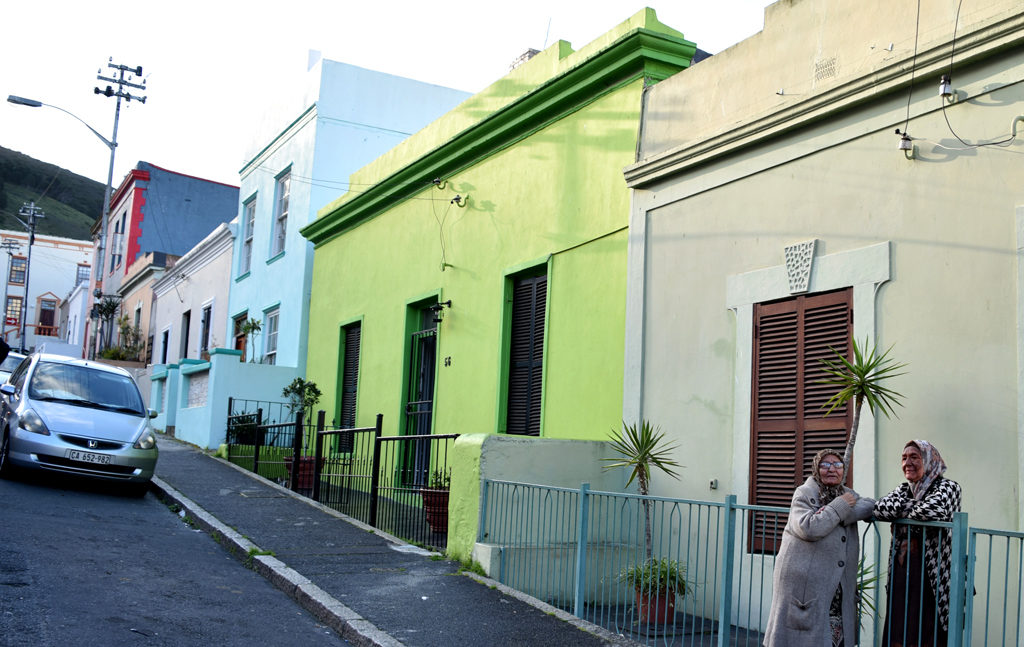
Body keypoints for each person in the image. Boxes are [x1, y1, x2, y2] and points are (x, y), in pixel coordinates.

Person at [764, 449, 875, 647]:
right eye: (825, 464)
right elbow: (809, 527)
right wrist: (840, 507)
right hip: (803, 587)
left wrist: (841, 512)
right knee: (800, 639)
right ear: (816, 468)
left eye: (837, 465)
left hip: (834, 586)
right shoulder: (804, 493)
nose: (832, 469)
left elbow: (869, 504)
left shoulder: (846, 494)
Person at [873, 440, 962, 647]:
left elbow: (932, 511)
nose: (907, 463)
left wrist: (902, 511)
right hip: (902, 570)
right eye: (904, 458)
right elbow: (879, 509)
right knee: (900, 628)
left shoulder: (949, 487)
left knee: (928, 628)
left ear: (930, 460)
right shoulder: (905, 489)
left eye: (914, 457)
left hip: (933, 574)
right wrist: (912, 509)